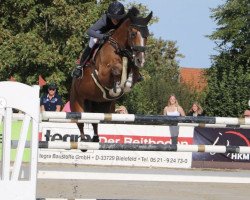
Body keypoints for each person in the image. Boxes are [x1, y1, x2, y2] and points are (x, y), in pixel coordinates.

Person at [72, 1, 126, 78]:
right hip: (101, 33)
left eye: (118, 18)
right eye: (113, 18)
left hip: (114, 35)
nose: (116, 20)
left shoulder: (124, 19)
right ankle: (80, 67)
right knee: (92, 42)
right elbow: (89, 31)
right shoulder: (104, 19)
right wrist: (102, 36)